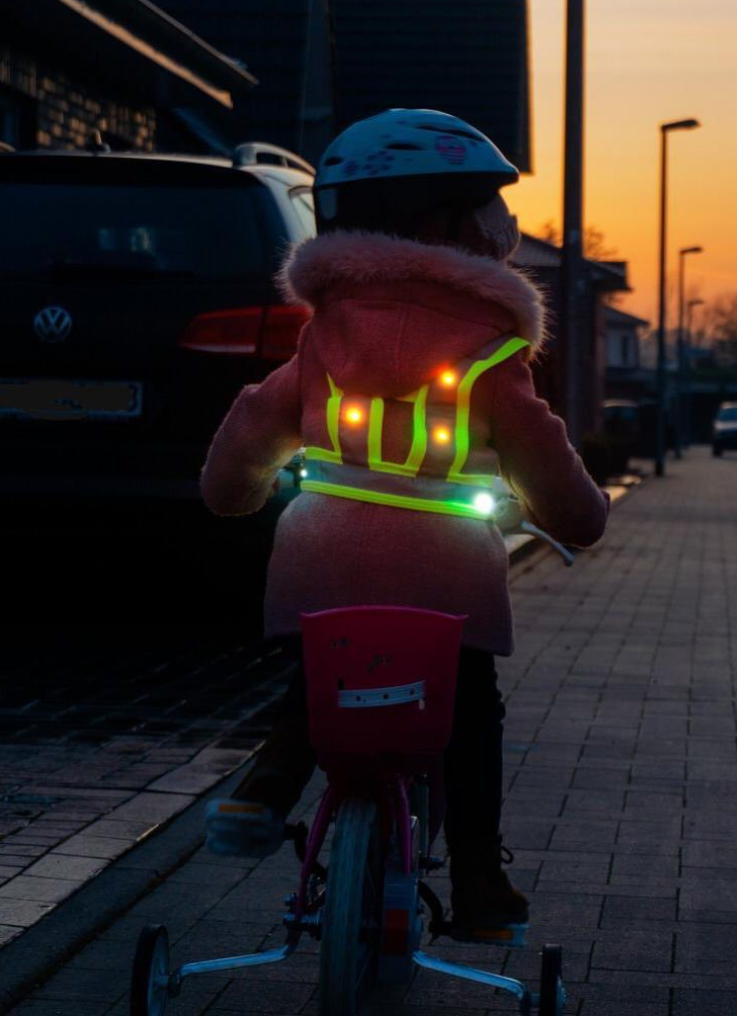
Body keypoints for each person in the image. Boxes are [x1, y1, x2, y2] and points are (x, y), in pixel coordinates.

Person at [198, 109, 609, 931]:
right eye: (488, 207)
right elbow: (543, 454)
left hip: (320, 552)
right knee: (468, 705)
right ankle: (478, 878)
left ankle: (272, 776)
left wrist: (235, 493)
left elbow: (254, 423)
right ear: (440, 221)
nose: (504, 226)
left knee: (322, 661)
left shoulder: (325, 333)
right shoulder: (491, 347)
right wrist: (579, 513)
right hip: (446, 568)